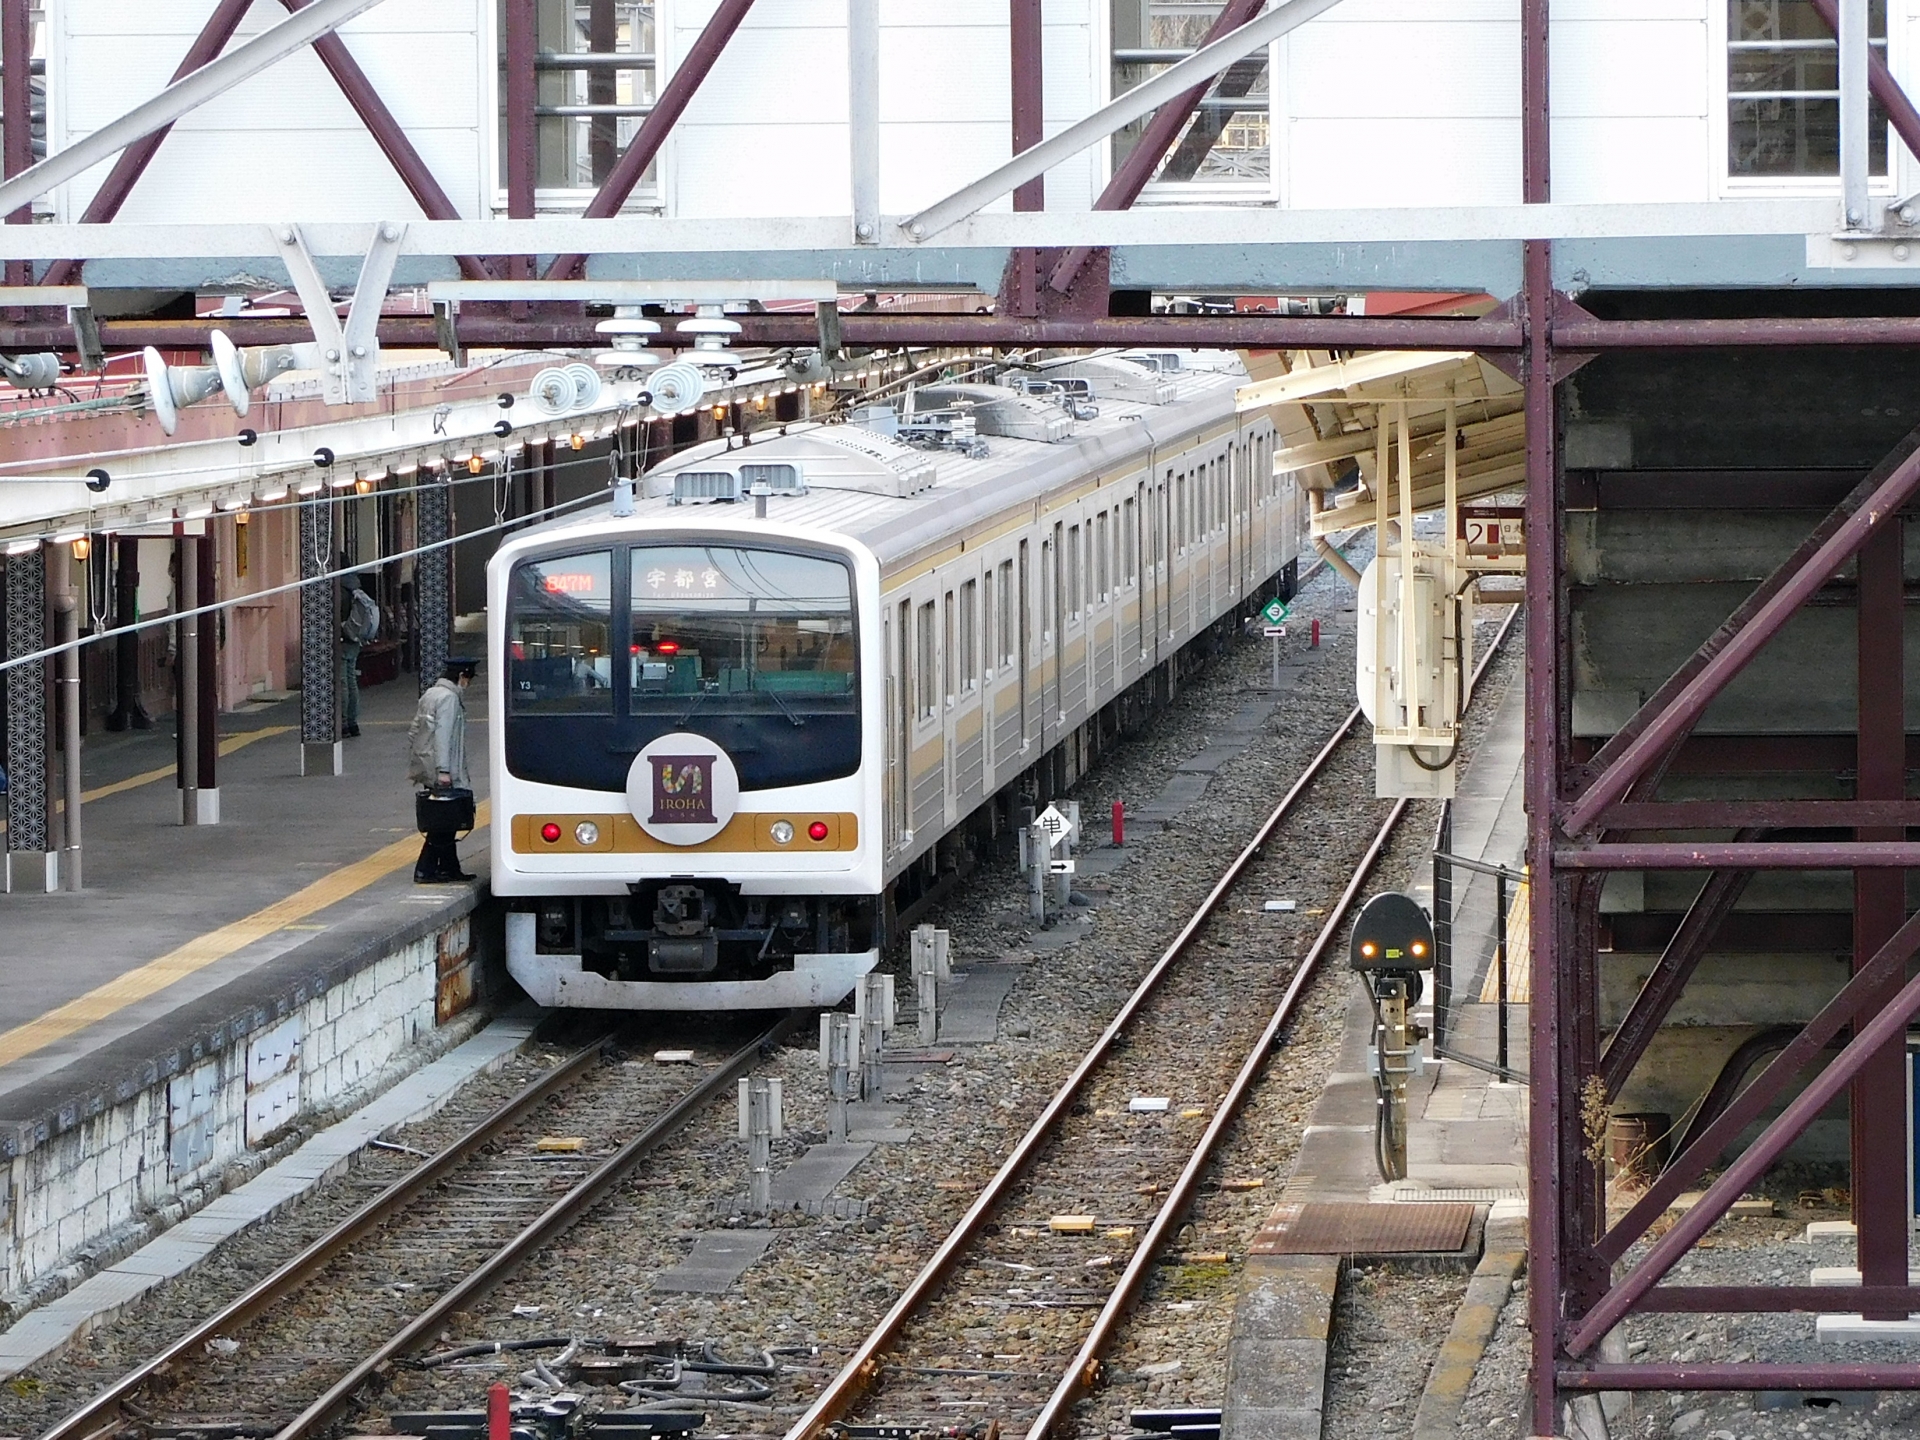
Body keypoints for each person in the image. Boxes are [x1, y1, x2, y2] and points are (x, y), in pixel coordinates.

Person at [408, 657, 477, 883]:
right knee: (444, 823)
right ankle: (425, 869)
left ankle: (449, 867)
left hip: (428, 764)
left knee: (446, 819)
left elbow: (414, 731)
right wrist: (444, 770)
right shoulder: (449, 699)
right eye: (468, 679)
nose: (468, 684)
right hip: (443, 768)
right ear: (461, 676)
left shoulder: (431, 694)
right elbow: (443, 735)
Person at [339, 573, 380, 738]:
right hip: (354, 640)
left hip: (341, 640)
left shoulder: (338, 589)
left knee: (342, 683)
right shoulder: (354, 586)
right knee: (351, 681)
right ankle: (353, 722)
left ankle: (343, 723)